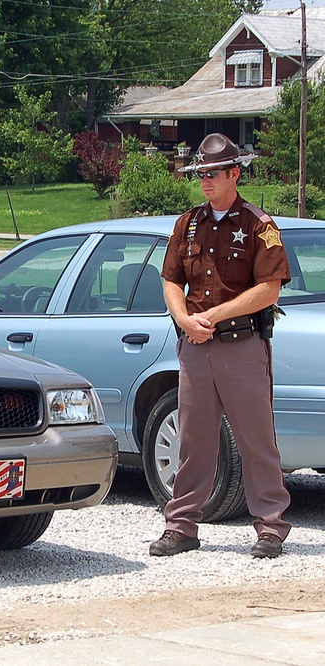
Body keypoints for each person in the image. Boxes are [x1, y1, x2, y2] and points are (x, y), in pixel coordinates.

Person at [150, 133, 291, 559]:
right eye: (199, 174)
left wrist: (218, 315)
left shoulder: (257, 225)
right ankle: (182, 526)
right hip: (195, 345)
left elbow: (269, 289)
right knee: (193, 439)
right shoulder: (188, 223)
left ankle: (270, 526)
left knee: (256, 439)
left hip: (242, 345)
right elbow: (171, 278)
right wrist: (183, 318)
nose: (205, 182)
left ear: (234, 173)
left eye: (212, 174)